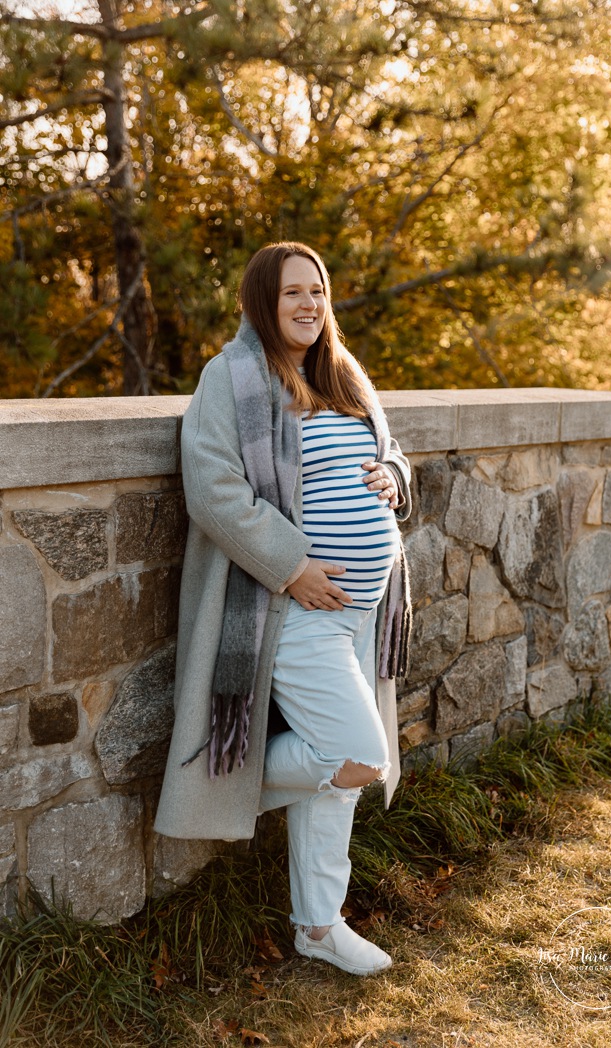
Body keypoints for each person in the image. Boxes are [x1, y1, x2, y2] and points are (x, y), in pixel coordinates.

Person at [155, 241, 412, 977]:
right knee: (356, 757)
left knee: (337, 784)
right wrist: (292, 566)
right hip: (287, 611)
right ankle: (214, 786)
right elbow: (213, 490)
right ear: (260, 302)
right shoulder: (231, 377)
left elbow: (394, 451)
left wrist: (391, 476)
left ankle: (318, 926)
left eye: (318, 292)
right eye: (291, 293)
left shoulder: (342, 372)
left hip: (363, 611)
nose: (307, 305)